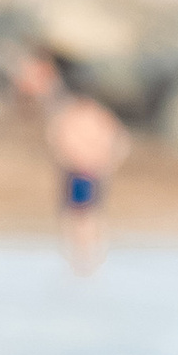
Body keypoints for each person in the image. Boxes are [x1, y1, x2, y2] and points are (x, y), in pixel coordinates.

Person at [46, 80, 128, 271]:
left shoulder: (87, 116)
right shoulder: (87, 116)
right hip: (82, 169)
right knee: (80, 213)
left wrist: (108, 163)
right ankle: (82, 255)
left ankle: (85, 255)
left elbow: (56, 139)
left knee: (85, 214)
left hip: (87, 170)